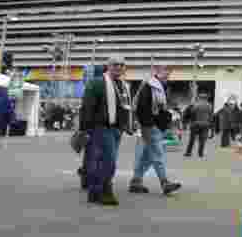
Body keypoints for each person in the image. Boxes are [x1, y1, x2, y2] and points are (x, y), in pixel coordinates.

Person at [79, 54, 132, 206]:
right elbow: (87, 107)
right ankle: (105, 191)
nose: (119, 67)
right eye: (115, 64)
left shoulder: (123, 85)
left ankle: (94, 191)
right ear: (108, 66)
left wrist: (129, 124)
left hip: (117, 129)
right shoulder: (97, 83)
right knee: (109, 161)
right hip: (101, 127)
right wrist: (85, 129)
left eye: (122, 65)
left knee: (103, 161)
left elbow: (126, 107)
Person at [129, 64, 182, 195]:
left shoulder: (158, 86)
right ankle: (165, 183)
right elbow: (142, 107)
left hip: (153, 125)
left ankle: (136, 181)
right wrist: (149, 124)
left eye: (169, 71)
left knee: (147, 155)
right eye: (165, 70)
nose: (168, 74)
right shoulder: (150, 86)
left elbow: (157, 108)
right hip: (151, 126)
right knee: (157, 153)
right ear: (157, 71)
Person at [183, 92, 214, 158]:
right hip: (205, 124)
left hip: (195, 123)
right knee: (202, 140)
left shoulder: (196, 105)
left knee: (192, 139)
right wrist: (211, 127)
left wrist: (189, 121)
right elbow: (211, 117)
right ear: (206, 98)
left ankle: (188, 152)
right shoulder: (209, 106)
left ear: (200, 98)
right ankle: (200, 153)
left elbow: (192, 113)